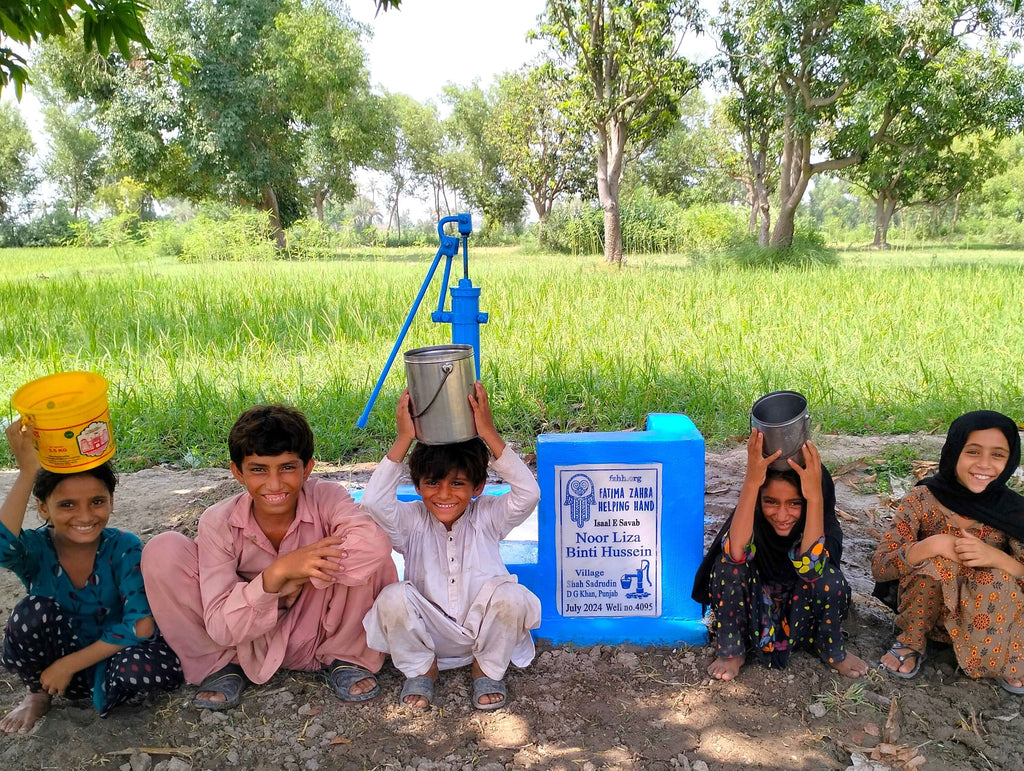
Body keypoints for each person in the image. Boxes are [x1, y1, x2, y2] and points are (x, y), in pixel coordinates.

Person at [140, 404, 397, 710]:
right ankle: (220, 666)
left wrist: (299, 573)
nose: (274, 484)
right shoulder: (218, 521)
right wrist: (275, 577)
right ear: (237, 472)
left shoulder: (327, 497)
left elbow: (374, 547)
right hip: (240, 640)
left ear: (308, 468)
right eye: (259, 470)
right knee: (162, 551)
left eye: (287, 468)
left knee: (371, 552)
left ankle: (346, 655)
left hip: (316, 631)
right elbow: (222, 627)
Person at [361, 382, 541, 710]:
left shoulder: (488, 514)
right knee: (392, 597)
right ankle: (421, 670)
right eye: (433, 483)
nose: (444, 495)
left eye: (457, 483)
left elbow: (529, 493)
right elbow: (373, 501)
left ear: (478, 486)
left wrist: (487, 432)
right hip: (428, 634)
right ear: (416, 486)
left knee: (511, 596)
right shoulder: (411, 521)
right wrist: (404, 439)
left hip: (482, 632)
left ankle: (486, 668)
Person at [0, 419, 182, 734]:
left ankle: (103, 692)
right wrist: (27, 472)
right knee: (29, 612)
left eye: (97, 502)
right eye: (67, 505)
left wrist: (69, 665)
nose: (85, 516)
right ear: (43, 509)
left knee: (156, 665)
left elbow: (140, 625)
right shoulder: (34, 550)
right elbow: (2, 546)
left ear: (111, 501)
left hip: (110, 662)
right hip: (53, 675)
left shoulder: (123, 546)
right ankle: (37, 696)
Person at [691, 428, 869, 681]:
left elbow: (811, 569)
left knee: (828, 580)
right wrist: (752, 482)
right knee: (727, 566)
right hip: (752, 614)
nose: (782, 516)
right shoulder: (750, 518)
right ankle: (732, 651)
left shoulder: (826, 525)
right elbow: (735, 554)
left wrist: (814, 496)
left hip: (802, 618)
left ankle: (830, 647)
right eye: (770, 502)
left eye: (795, 503)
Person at [872, 410, 1024, 692]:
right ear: (954, 451)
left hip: (990, 620)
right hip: (931, 618)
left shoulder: (1014, 512)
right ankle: (912, 640)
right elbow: (881, 567)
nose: (985, 464)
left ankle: (1005, 652)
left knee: (997, 576)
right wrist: (930, 546)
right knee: (935, 565)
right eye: (973, 452)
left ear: (1011, 458)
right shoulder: (923, 499)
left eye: (998, 455)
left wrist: (996, 558)